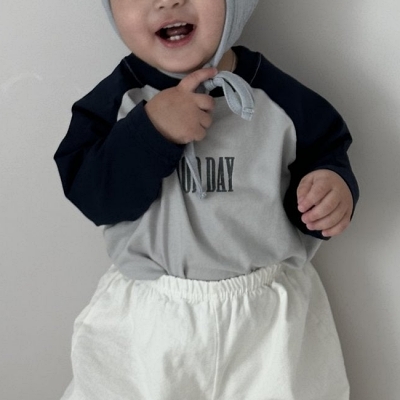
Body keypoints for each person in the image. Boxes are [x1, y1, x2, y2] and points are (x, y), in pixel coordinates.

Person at [54, 0, 359, 399]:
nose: (168, 1)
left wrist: (329, 189)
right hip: (149, 320)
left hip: (266, 323)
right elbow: (93, 196)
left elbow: (325, 152)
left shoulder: (279, 98)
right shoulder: (119, 101)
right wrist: (151, 131)